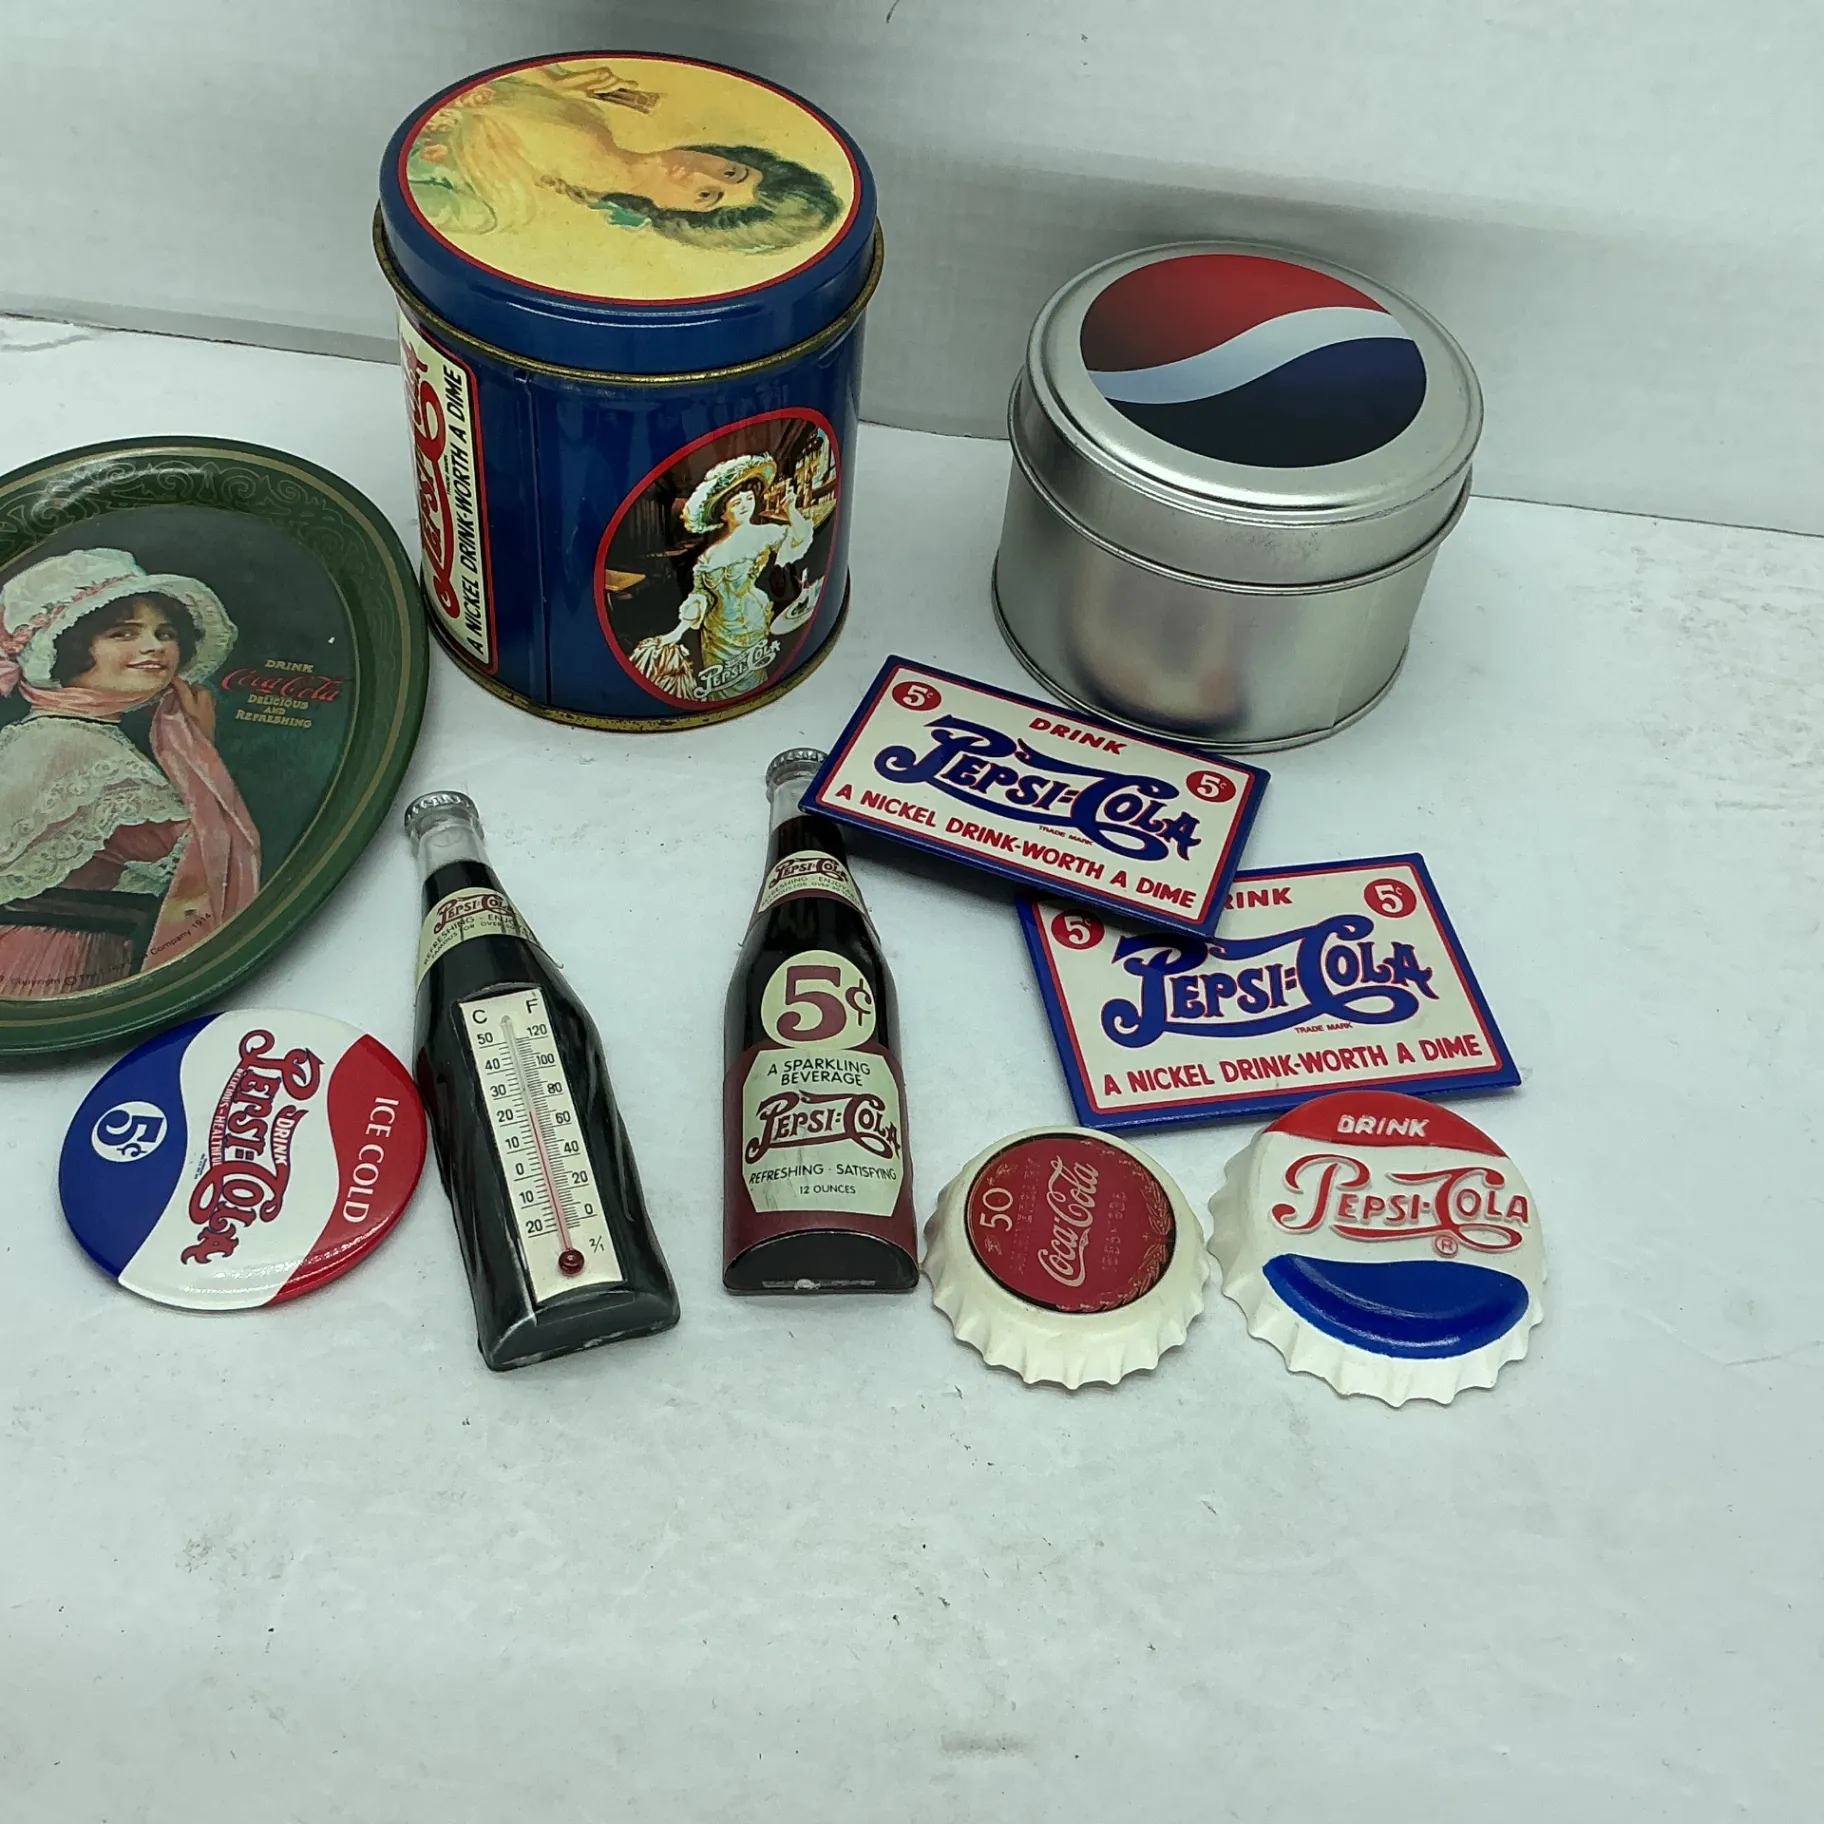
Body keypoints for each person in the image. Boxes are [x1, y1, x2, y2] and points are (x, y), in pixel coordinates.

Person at [0, 549, 261, 998]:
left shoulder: (68, 735)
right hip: (43, 964)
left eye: (165, 633)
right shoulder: (72, 746)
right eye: (123, 633)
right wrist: (201, 752)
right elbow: (195, 866)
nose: (154, 647)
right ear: (67, 647)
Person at [407, 59, 843, 255]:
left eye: (707, 196)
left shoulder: (504, 208)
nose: (697, 175)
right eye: (731, 172)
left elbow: (419, 199)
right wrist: (551, 82)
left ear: (676, 216)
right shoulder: (592, 107)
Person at [637, 453, 823, 704]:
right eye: (737, 502)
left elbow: (800, 537)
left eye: (749, 499)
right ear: (723, 513)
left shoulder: (765, 534)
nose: (745, 505)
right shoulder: (710, 555)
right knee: (721, 687)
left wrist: (790, 510)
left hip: (751, 620)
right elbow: (701, 596)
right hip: (716, 632)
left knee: (752, 678)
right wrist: (677, 632)